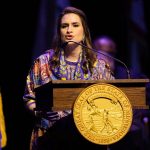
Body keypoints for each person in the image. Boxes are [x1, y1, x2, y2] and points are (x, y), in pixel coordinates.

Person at [23, 7, 114, 150]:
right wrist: (39, 111)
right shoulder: (42, 63)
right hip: (50, 139)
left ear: (84, 32)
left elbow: (112, 100)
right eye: (64, 26)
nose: (69, 30)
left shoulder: (99, 66)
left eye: (75, 25)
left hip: (89, 140)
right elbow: (29, 98)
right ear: (59, 32)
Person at [93, 35, 150, 150]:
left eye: (108, 54)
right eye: (100, 53)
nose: (104, 58)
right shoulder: (84, 77)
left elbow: (146, 98)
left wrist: (144, 115)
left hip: (128, 138)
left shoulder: (132, 77)